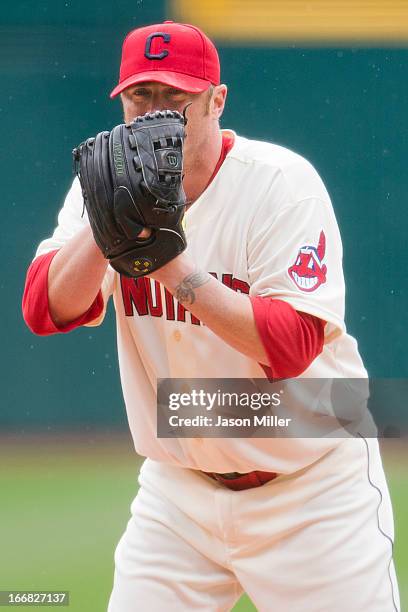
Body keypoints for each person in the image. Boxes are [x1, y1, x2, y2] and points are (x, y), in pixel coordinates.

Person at [22, 20, 400, 612]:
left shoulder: (281, 184)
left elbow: (293, 345)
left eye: (177, 97)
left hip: (312, 485)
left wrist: (170, 265)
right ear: (121, 102)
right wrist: (104, 227)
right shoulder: (104, 183)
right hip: (181, 494)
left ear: (216, 100)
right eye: (142, 96)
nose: (158, 113)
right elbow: (46, 309)